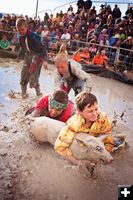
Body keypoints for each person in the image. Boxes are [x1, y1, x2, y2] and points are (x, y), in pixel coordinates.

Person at [54, 92, 114, 165]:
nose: (95, 114)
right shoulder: (73, 125)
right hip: (85, 141)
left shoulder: (103, 118)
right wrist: (78, 162)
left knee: (116, 142)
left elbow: (109, 141)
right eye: (90, 111)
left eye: (96, 109)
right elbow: (59, 148)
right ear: (79, 111)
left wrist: (103, 155)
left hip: (96, 139)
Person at [16, 18, 48, 98]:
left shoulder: (33, 36)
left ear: (26, 27)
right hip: (27, 56)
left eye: (22, 29)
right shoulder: (21, 37)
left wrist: (44, 60)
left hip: (36, 57)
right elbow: (23, 48)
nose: (20, 32)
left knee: (34, 76)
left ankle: (38, 93)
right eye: (19, 30)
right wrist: (19, 56)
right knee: (24, 73)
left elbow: (42, 48)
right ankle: (23, 93)